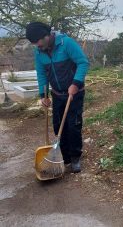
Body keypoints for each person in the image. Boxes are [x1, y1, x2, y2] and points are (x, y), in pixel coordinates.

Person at [25, 22, 89, 173]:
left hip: (75, 92)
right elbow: (41, 73)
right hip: (57, 94)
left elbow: (83, 63)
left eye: (38, 43)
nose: (37, 47)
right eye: (35, 45)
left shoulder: (66, 43)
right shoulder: (39, 51)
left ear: (46, 36)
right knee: (58, 125)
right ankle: (64, 155)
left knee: (73, 125)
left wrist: (76, 83)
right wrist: (43, 95)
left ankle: (75, 157)